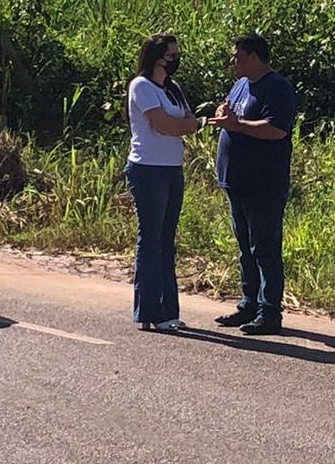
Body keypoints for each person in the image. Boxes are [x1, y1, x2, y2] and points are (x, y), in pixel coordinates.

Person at [209, 33, 298, 336]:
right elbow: (231, 112)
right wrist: (224, 114)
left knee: (265, 248)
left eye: (236, 55)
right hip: (236, 180)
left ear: (253, 56)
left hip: (264, 183)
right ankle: (248, 303)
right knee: (244, 247)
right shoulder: (240, 85)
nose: (232, 61)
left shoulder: (277, 87)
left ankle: (269, 311)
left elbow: (276, 129)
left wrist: (238, 126)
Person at [124, 33, 201, 332]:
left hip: (172, 168)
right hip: (148, 170)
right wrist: (182, 127)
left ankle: (168, 310)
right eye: (169, 55)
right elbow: (164, 125)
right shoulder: (141, 86)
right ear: (155, 56)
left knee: (167, 240)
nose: (174, 60)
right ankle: (148, 310)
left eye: (175, 54)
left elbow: (190, 123)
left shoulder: (173, 88)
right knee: (151, 239)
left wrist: (182, 127)